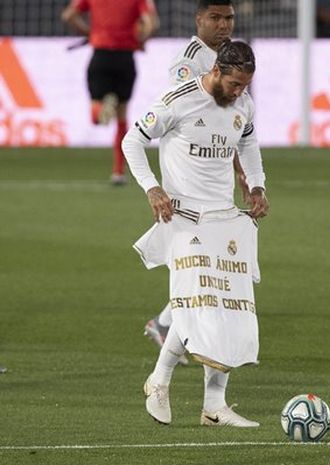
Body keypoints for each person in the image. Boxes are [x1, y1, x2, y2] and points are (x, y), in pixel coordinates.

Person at [122, 39, 269, 427]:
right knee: (195, 304)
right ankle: (160, 380)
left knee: (227, 310)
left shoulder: (244, 105)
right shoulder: (178, 99)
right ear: (217, 71)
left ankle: (214, 406)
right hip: (183, 217)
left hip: (224, 219)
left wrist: (257, 186)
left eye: (245, 86)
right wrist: (152, 187)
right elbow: (132, 140)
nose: (239, 93)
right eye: (235, 84)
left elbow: (249, 144)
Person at [143, 0, 251, 364]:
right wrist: (155, 185)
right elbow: (185, 121)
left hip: (213, 185)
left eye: (229, 18)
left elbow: (228, 124)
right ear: (199, 19)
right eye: (216, 18)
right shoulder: (188, 62)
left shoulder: (232, 58)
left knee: (209, 271)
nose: (224, 25)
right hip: (186, 189)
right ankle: (168, 334)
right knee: (203, 272)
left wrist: (241, 171)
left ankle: (168, 329)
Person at [61, 0, 158, 186]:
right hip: (125, 59)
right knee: (122, 118)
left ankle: (101, 110)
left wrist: (89, 33)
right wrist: (141, 40)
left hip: (101, 56)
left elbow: (69, 15)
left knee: (96, 117)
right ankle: (118, 171)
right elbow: (151, 23)